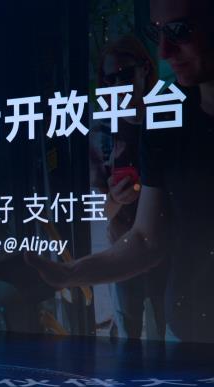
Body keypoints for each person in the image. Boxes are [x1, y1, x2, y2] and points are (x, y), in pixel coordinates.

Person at [26, 0, 214, 343]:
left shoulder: (161, 115)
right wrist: (70, 273)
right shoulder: (160, 125)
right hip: (183, 324)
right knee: (129, 327)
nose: (166, 50)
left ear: (144, 71)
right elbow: (143, 238)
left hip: (172, 297)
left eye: (180, 31)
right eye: (158, 33)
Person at [89, 35, 168, 339]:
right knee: (128, 335)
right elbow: (102, 211)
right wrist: (116, 197)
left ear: (145, 69)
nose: (116, 85)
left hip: (169, 251)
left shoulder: (168, 118)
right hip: (124, 250)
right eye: (109, 79)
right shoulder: (103, 132)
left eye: (124, 75)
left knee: (168, 332)